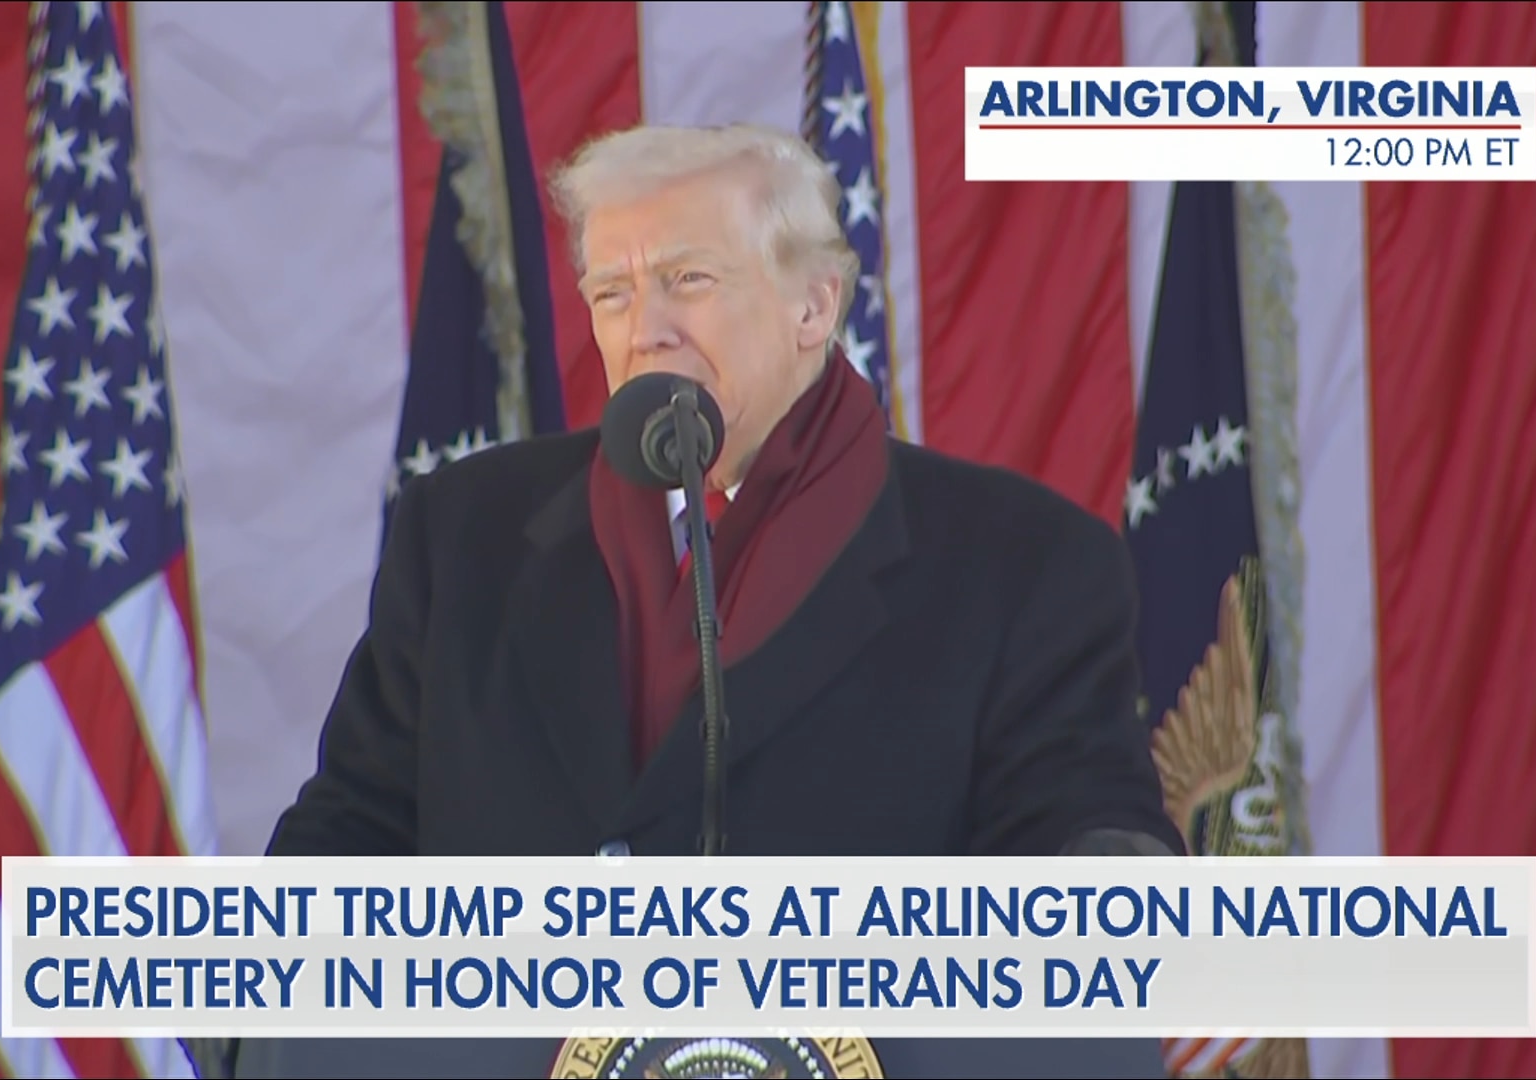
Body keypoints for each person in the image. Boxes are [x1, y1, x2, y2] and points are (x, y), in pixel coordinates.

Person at [266, 121, 1181, 865]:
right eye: (612, 293)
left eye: (687, 281)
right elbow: (355, 829)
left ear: (814, 308)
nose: (645, 330)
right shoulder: (466, 531)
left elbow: (1081, 828)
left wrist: (1106, 873)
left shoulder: (1020, 563)